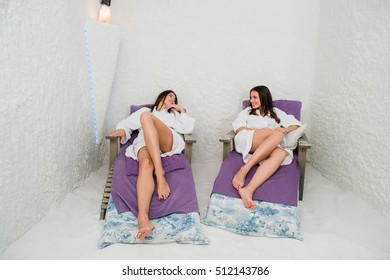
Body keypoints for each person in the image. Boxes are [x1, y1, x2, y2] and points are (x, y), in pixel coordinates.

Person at [110, 90, 195, 240]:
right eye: (170, 96)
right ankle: (143, 220)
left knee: (146, 118)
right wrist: (122, 130)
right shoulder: (146, 111)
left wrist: (182, 112)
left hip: (167, 140)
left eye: (174, 99)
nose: (172, 99)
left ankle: (160, 174)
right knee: (145, 163)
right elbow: (127, 124)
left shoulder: (173, 115)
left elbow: (188, 129)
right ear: (161, 97)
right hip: (144, 141)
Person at [231, 85, 302, 210]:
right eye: (250, 97)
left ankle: (248, 190)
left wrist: (285, 129)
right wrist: (261, 130)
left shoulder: (275, 112)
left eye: (255, 97)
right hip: (248, 139)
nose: (251, 101)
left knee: (281, 153)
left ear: (264, 97)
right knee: (275, 133)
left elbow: (296, 124)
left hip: (269, 143)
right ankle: (244, 169)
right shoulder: (247, 112)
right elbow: (239, 128)